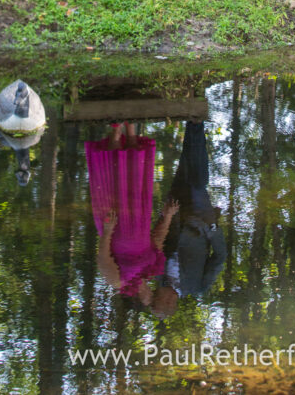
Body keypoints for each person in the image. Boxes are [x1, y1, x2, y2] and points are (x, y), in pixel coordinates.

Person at [85, 121, 179, 307]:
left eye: (147, 300)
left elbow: (103, 257)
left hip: (116, 226)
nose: (149, 297)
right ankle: (130, 127)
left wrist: (108, 230)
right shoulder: (150, 270)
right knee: (136, 172)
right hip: (139, 219)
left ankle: (116, 128)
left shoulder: (118, 282)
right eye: (151, 298)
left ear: (136, 299)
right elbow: (157, 242)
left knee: (113, 176)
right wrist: (167, 216)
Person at [153, 120, 226, 317]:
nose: (155, 292)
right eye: (156, 297)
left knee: (186, 165)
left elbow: (156, 245)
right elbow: (219, 257)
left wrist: (166, 216)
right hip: (200, 219)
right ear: (169, 301)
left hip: (176, 212)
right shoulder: (197, 287)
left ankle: (193, 120)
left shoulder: (158, 276)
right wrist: (211, 229)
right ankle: (195, 120)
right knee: (198, 181)